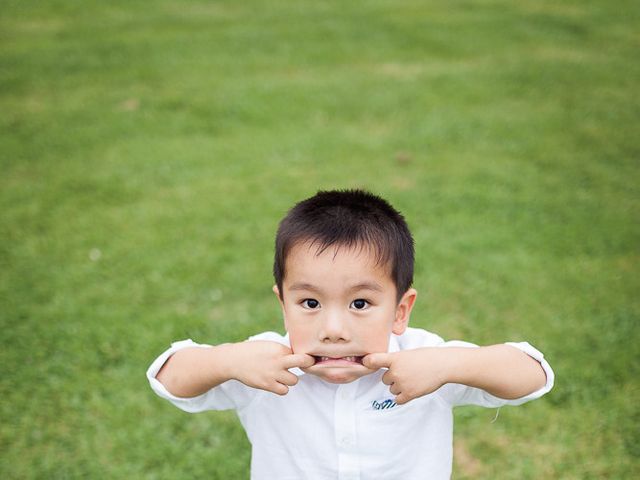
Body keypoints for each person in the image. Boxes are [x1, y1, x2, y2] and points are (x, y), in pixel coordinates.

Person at [147, 189, 554, 479]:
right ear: (283, 306)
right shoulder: (263, 366)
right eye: (310, 304)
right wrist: (226, 360)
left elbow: (533, 374)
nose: (334, 331)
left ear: (400, 311)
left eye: (360, 304)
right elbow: (168, 378)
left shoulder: (424, 361)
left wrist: (449, 365)